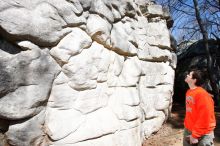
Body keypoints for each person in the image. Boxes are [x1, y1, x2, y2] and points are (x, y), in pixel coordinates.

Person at [183, 69, 216, 146]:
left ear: (194, 80)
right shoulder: (189, 92)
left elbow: (205, 118)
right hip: (189, 130)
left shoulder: (202, 95)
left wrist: (195, 135)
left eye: (189, 75)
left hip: (203, 134)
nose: (187, 75)